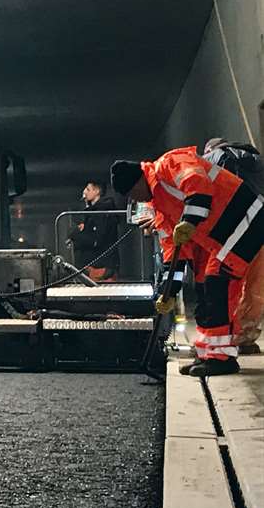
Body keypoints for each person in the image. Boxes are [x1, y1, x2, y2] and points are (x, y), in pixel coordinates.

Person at [112, 147, 264, 377]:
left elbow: (197, 185)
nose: (136, 200)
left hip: (245, 217)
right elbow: (174, 258)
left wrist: (190, 220)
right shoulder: (161, 210)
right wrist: (169, 292)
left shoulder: (170, 164)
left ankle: (222, 358)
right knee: (204, 285)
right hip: (222, 235)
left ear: (138, 181)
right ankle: (208, 353)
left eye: (133, 194)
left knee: (218, 280)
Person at [203, 137, 264, 354]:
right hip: (261, 224)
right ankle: (246, 338)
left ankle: (226, 338)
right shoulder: (256, 160)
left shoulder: (214, 158)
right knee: (256, 288)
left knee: (229, 284)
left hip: (236, 229)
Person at [66, 181, 121, 279]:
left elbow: (97, 240)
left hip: (100, 266)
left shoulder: (101, 213)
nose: (84, 192)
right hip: (96, 265)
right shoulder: (94, 212)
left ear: (97, 191)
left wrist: (75, 235)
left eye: (88, 189)